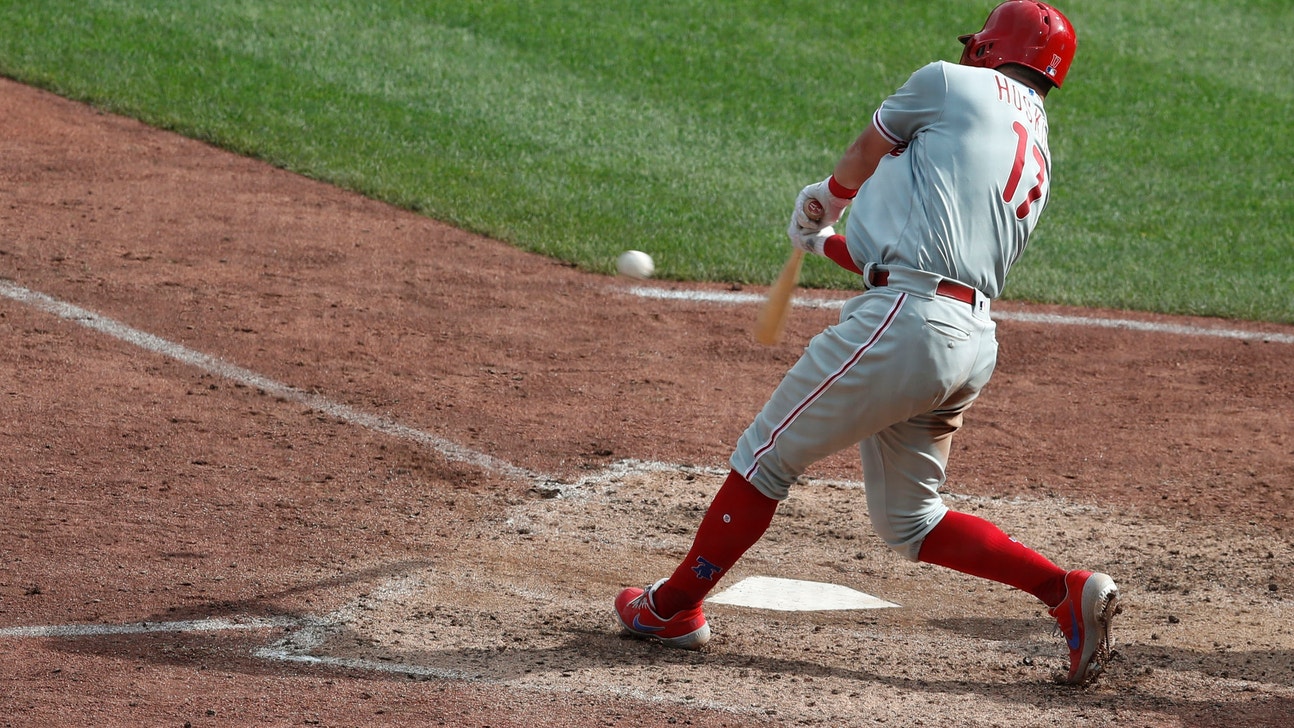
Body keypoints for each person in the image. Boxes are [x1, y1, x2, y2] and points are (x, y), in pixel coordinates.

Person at [615, 1, 1120, 686]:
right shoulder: (1033, 141)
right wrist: (824, 241)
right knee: (911, 520)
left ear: (988, 47)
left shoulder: (948, 81)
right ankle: (1063, 590)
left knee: (765, 457)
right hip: (967, 342)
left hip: (909, 327)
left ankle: (671, 608)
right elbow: (908, 252)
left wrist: (828, 194)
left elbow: (864, 152)